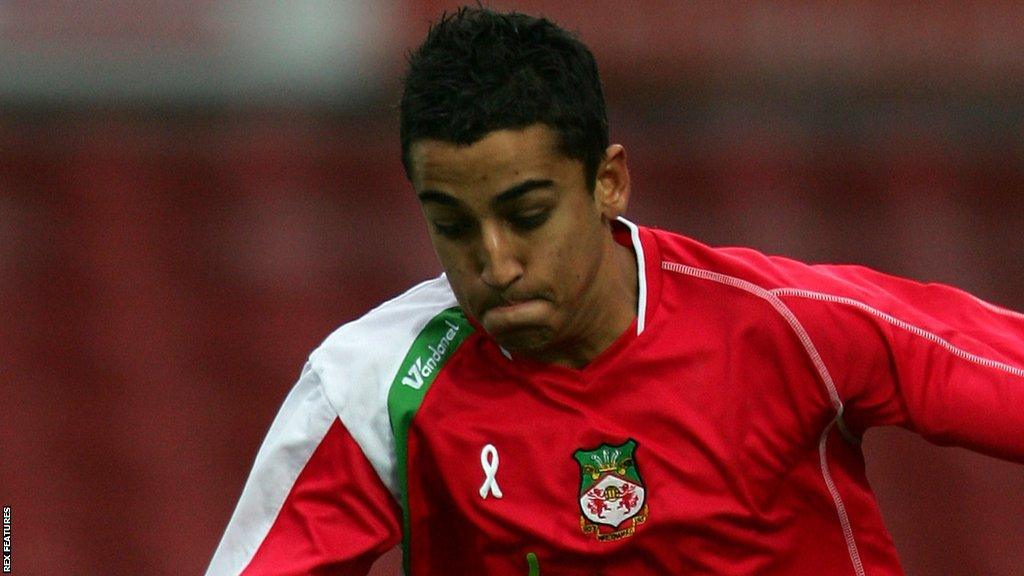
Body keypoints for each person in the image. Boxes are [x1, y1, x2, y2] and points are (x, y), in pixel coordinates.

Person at [205, 7, 1024, 575]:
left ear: (607, 182)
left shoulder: (787, 328)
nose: (494, 261)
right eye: (453, 224)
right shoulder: (371, 389)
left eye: (526, 214)